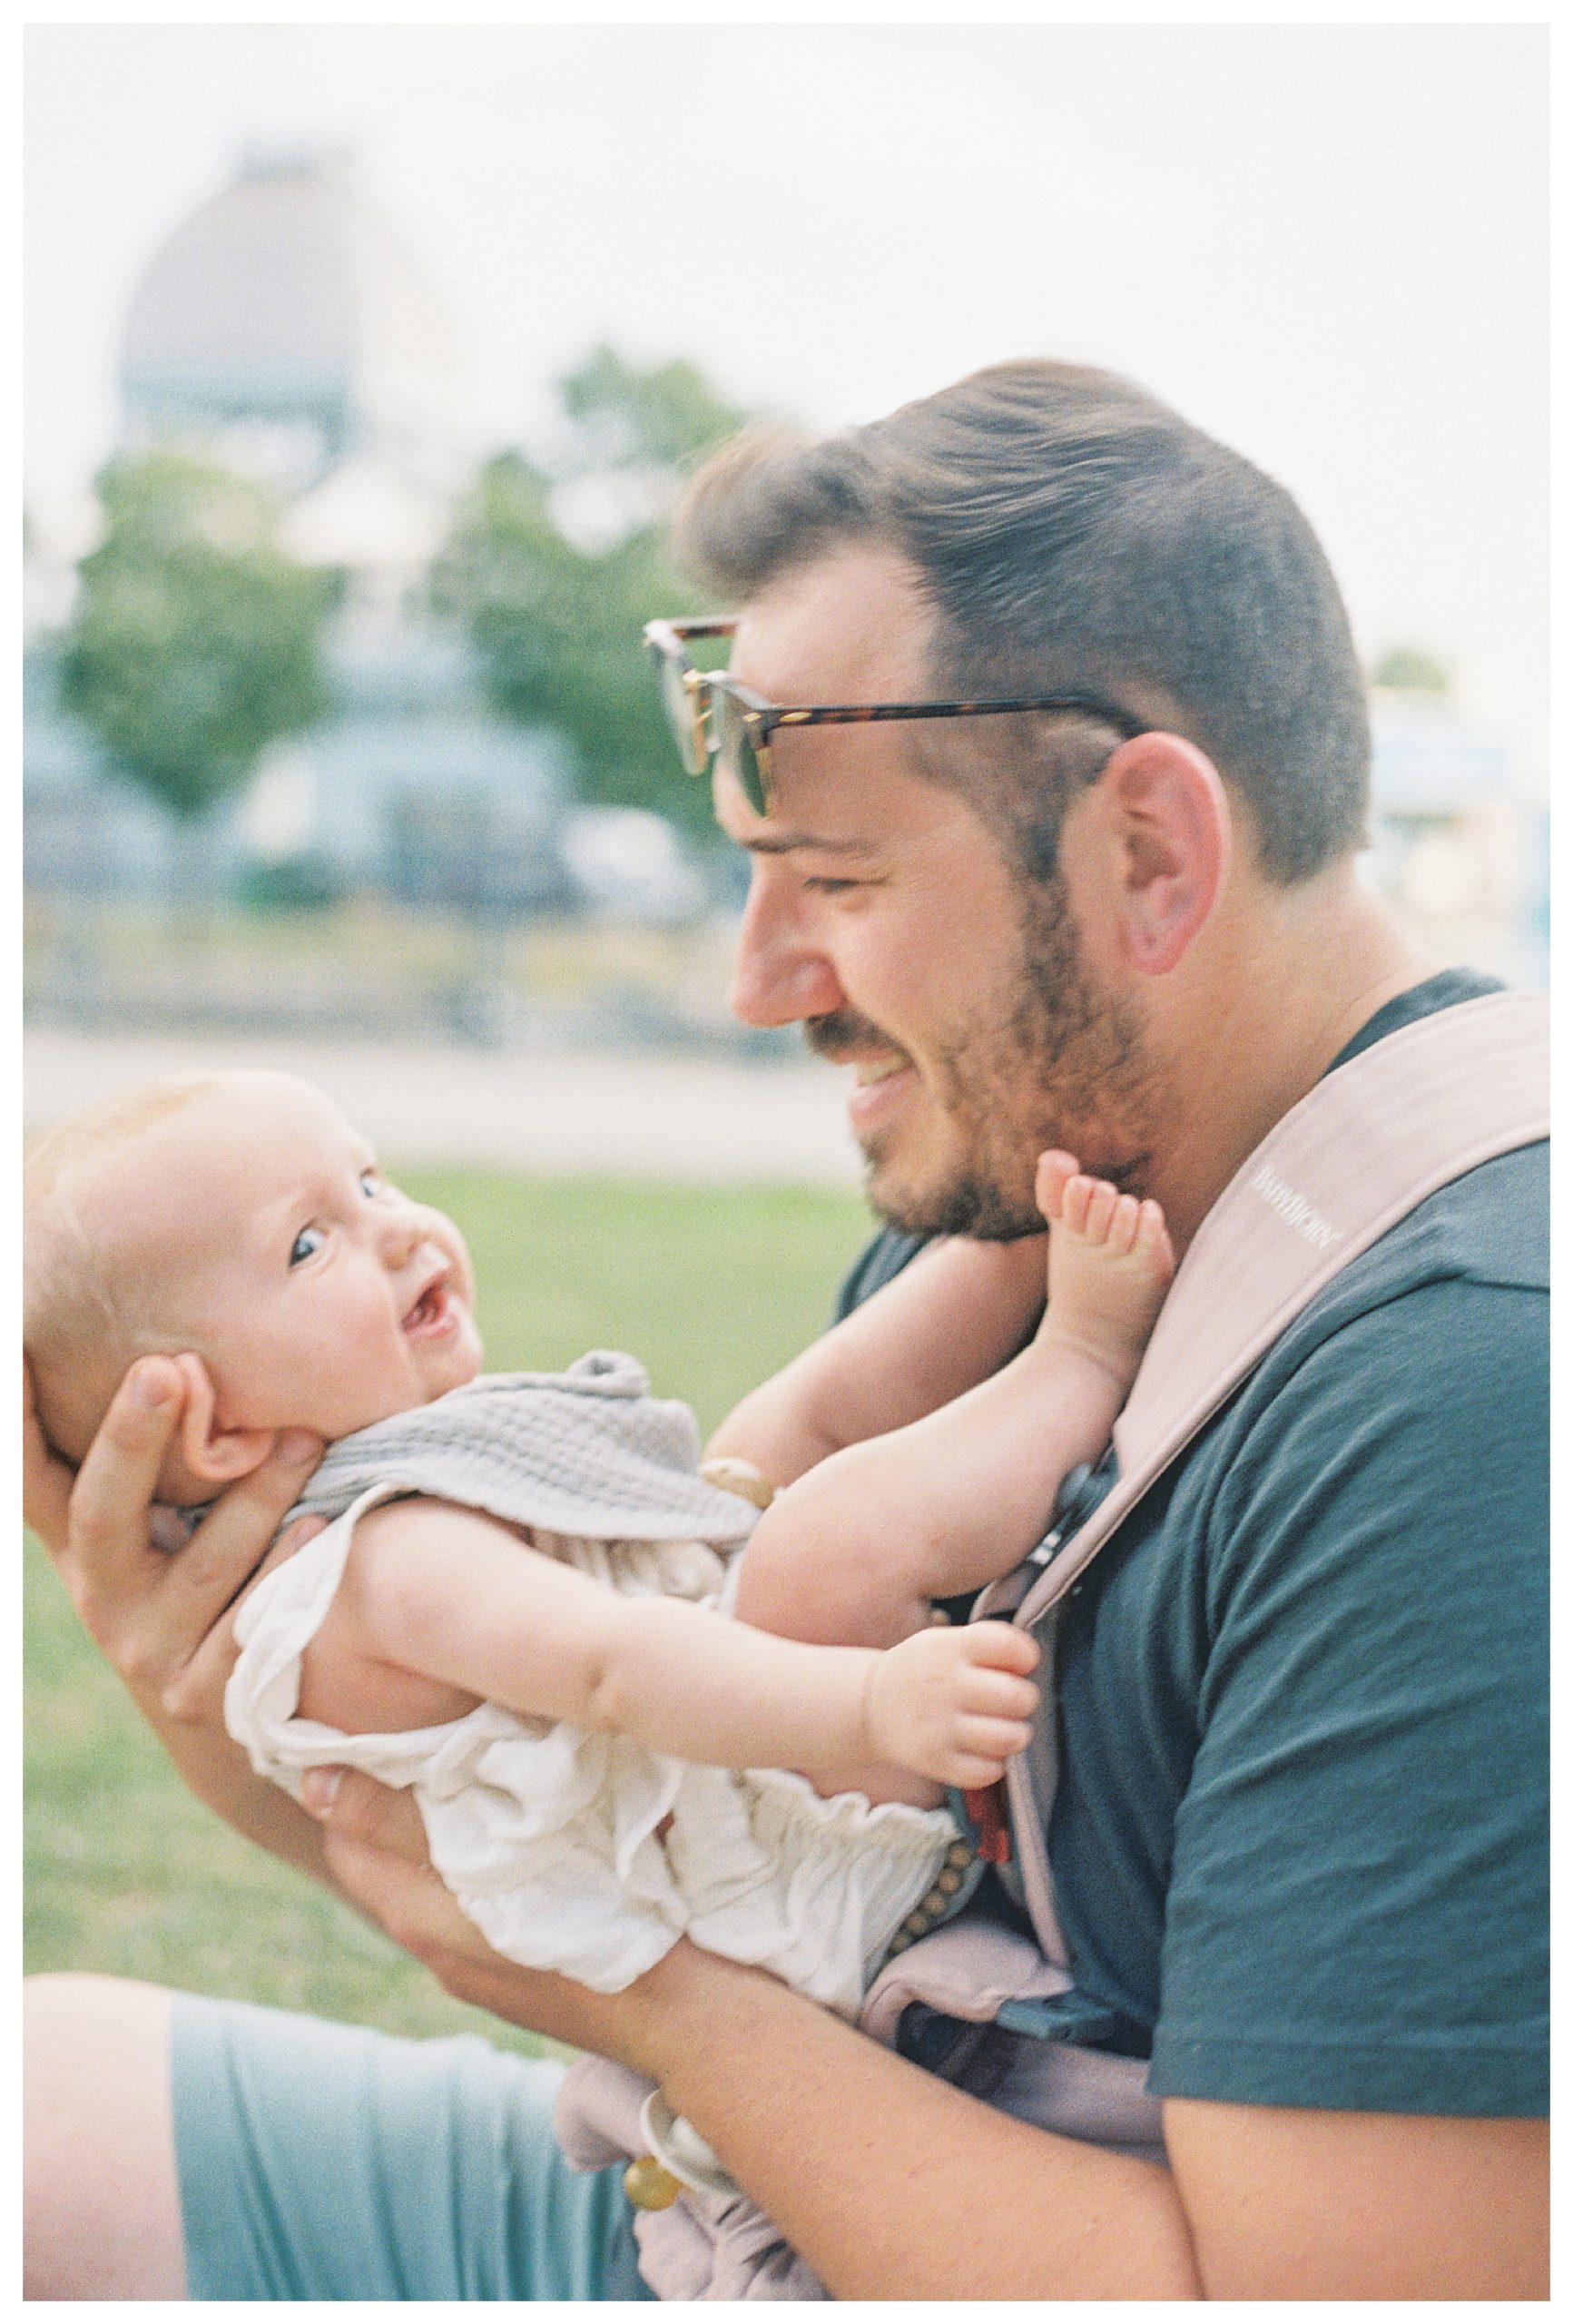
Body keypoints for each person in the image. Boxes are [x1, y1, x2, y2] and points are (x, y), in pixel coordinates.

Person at [25, 359, 1547, 2299]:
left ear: (1147, 854)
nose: (753, 985)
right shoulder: (1023, 1201)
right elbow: (582, 1802)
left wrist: (661, 2002)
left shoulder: (1473, 1405)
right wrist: (246, 1688)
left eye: (830, 879)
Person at [25, 1067, 1172, 2046]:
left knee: (770, 1444)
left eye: (370, 1184)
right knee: (824, 1545)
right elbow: (612, 1667)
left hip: (732, 1764)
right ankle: (1078, 1349)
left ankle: (1012, 1244)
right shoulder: (379, 1564)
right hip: (769, 1879)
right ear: (213, 1428)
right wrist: (871, 1699)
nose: (400, 1229)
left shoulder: (397, 1492)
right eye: (309, 1243)